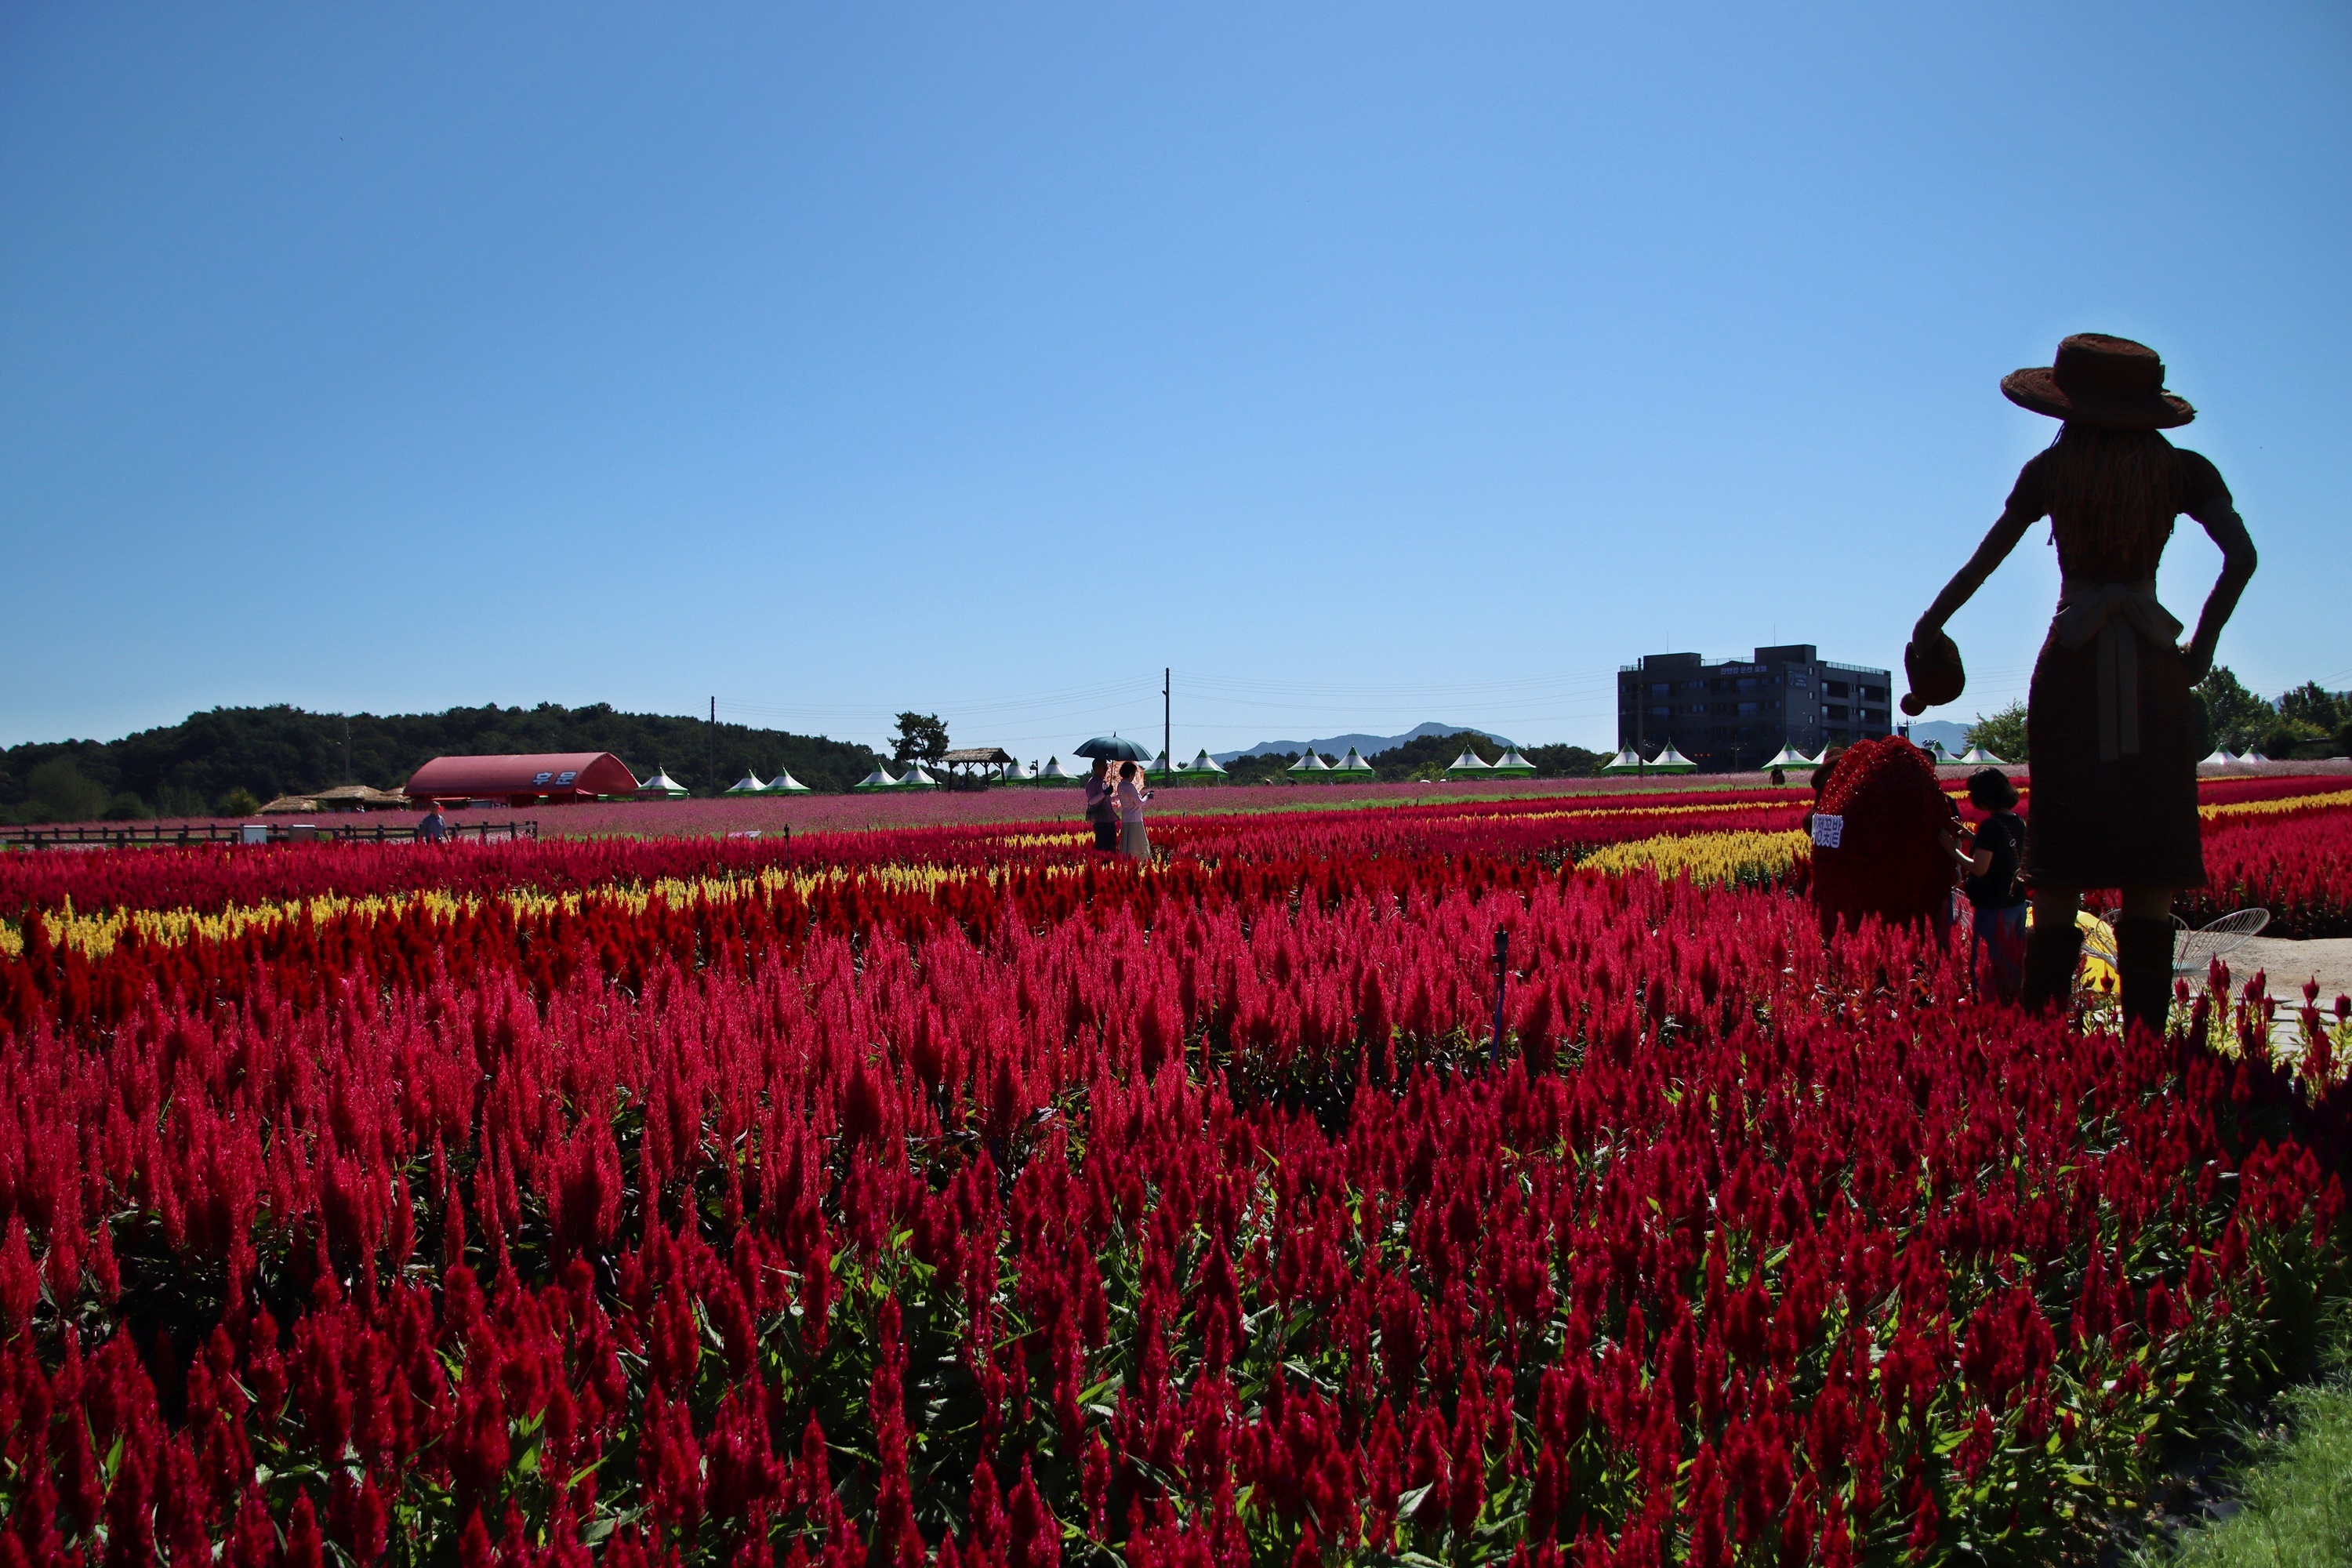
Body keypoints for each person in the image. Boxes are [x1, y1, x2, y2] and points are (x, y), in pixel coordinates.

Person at [1906, 335, 2256, 1036]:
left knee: (2059, 868)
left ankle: (2045, 1036)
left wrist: (1930, 629)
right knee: (2150, 868)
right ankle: (2146, 1041)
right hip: (2154, 667)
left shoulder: (2053, 470)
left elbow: (1982, 563)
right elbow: (2242, 557)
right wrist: (2198, 653)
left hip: (2071, 662)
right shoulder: (2183, 470)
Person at [1954, 768, 2028, 1002]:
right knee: (2012, 961)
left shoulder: (1989, 826)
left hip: (1994, 907)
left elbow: (1980, 868)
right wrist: (1971, 837)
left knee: (1988, 965)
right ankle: (2011, 1004)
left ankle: (1990, 1009)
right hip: (2016, 902)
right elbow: (2003, 851)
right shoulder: (2017, 821)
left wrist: (1952, 850)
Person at [1115, 760, 1152, 862]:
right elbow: (1139, 802)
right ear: (1130, 773)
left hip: (1126, 818)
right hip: (1135, 819)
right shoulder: (1129, 786)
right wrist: (1148, 796)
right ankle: (1139, 862)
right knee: (1138, 846)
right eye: (1134, 774)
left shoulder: (1121, 785)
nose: (1134, 776)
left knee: (1128, 845)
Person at [1083, 759, 1118, 852]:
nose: (1106, 769)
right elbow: (1092, 801)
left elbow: (1107, 800)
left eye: (1106, 767)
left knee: (1111, 846)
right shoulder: (1092, 782)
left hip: (1109, 818)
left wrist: (1118, 796)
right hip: (1100, 819)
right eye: (1104, 767)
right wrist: (1105, 793)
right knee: (1103, 846)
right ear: (1097, 768)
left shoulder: (1103, 782)